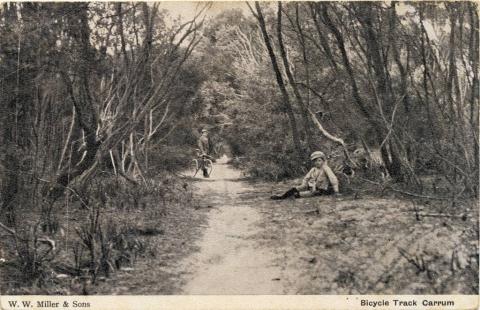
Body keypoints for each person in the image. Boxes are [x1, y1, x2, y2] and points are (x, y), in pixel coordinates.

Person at [270, 151, 340, 200]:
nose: (317, 163)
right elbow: (306, 178)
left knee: (297, 195)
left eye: (319, 160)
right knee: (294, 189)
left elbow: (333, 179)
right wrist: (303, 185)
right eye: (315, 161)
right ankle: (282, 196)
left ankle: (295, 196)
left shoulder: (325, 168)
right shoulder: (313, 169)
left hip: (321, 190)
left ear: (323, 161)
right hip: (311, 187)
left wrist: (336, 191)